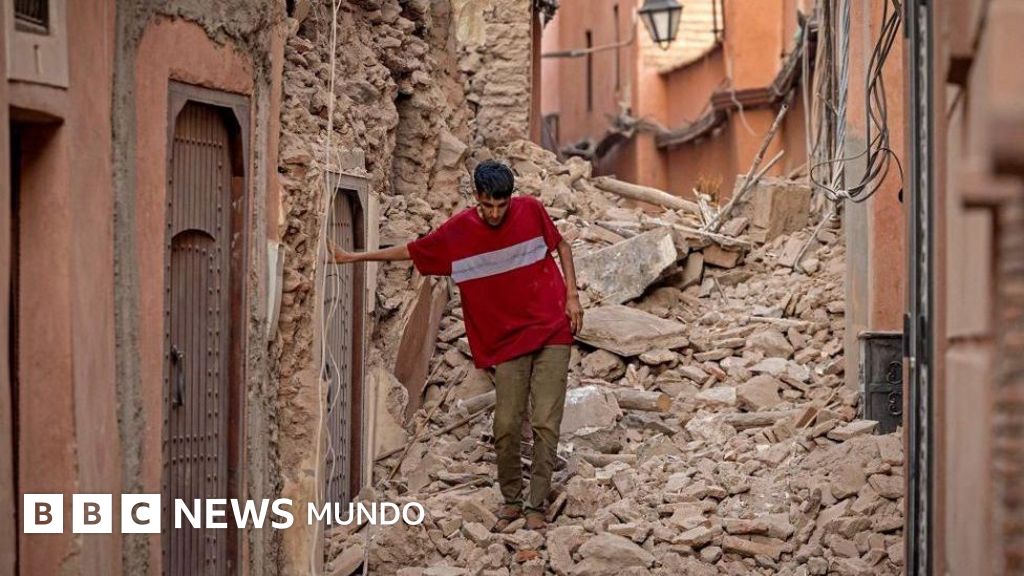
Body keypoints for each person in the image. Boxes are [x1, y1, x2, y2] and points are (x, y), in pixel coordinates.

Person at [330, 160, 582, 531]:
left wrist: (572, 296)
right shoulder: (459, 232)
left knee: (546, 422)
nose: (495, 213)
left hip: (552, 330)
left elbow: (561, 245)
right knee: (507, 425)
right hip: (508, 340)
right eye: (487, 205)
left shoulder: (531, 210)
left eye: (501, 205)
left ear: (511, 198)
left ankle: (535, 506)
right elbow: (413, 251)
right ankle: (512, 499)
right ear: (476, 198)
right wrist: (354, 258)